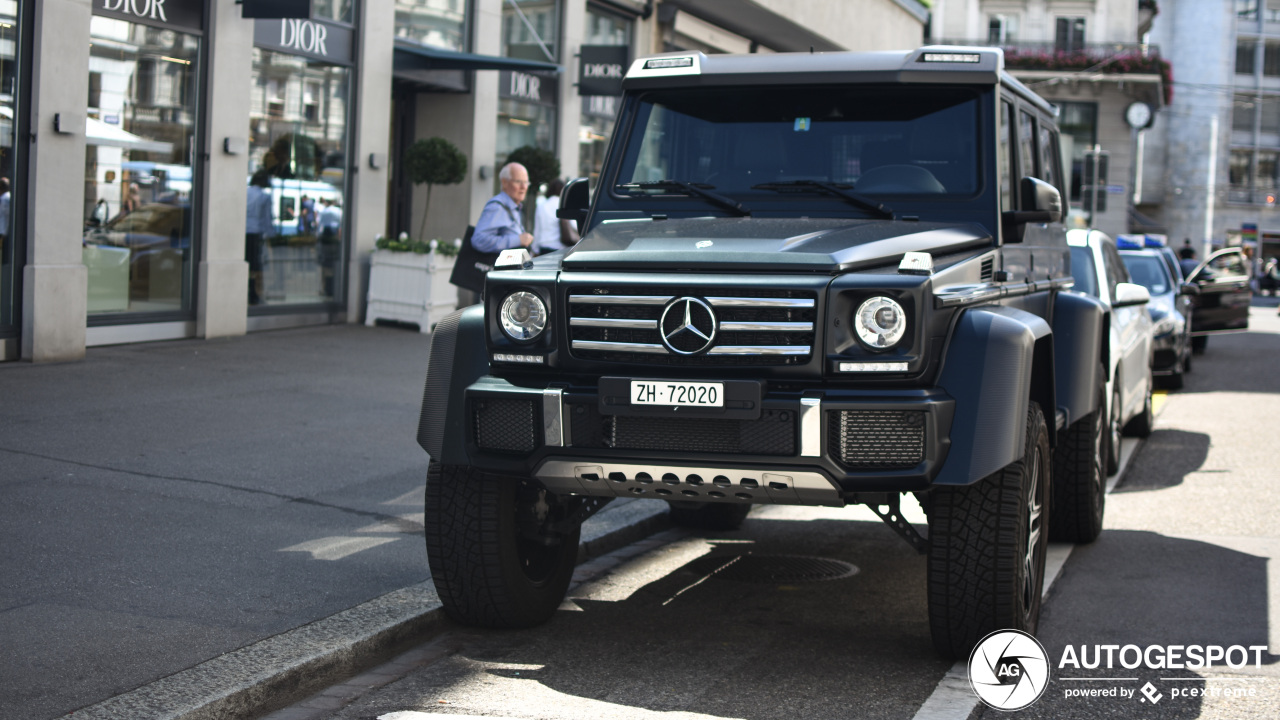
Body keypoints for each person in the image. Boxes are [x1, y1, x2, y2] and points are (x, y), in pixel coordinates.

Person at [458, 162, 534, 307]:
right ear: (504, 183)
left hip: (504, 283)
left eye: (526, 182)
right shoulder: (497, 207)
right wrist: (517, 239)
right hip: (495, 285)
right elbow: (479, 240)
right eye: (519, 182)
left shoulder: (513, 207)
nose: (524, 187)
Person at [245, 171, 275, 305]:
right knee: (254, 265)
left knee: (245, 262)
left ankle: (244, 292)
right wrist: (273, 237)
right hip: (255, 233)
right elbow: (267, 219)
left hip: (241, 233)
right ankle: (253, 294)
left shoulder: (244, 192)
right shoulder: (264, 196)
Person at [531, 178, 580, 255]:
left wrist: (534, 249)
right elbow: (575, 225)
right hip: (560, 248)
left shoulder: (541, 205)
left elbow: (537, 229)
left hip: (543, 248)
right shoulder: (563, 205)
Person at [317, 197, 343, 298]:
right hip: (334, 240)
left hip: (325, 239)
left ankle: (326, 288)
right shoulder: (338, 211)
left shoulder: (324, 211)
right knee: (332, 265)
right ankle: (331, 288)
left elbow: (320, 226)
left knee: (326, 265)